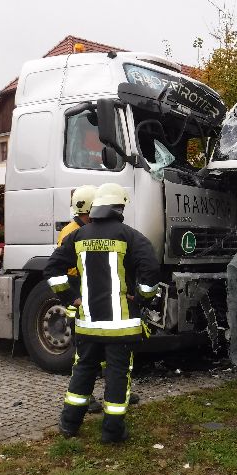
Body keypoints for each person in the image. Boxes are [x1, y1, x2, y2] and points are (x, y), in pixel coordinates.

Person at [45, 183, 160, 444]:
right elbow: (151, 269)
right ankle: (112, 432)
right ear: (119, 208)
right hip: (121, 328)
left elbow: (52, 270)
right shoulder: (131, 236)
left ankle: (69, 424)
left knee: (83, 371)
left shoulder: (78, 236)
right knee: (117, 375)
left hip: (88, 324)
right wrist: (142, 297)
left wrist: (70, 297)